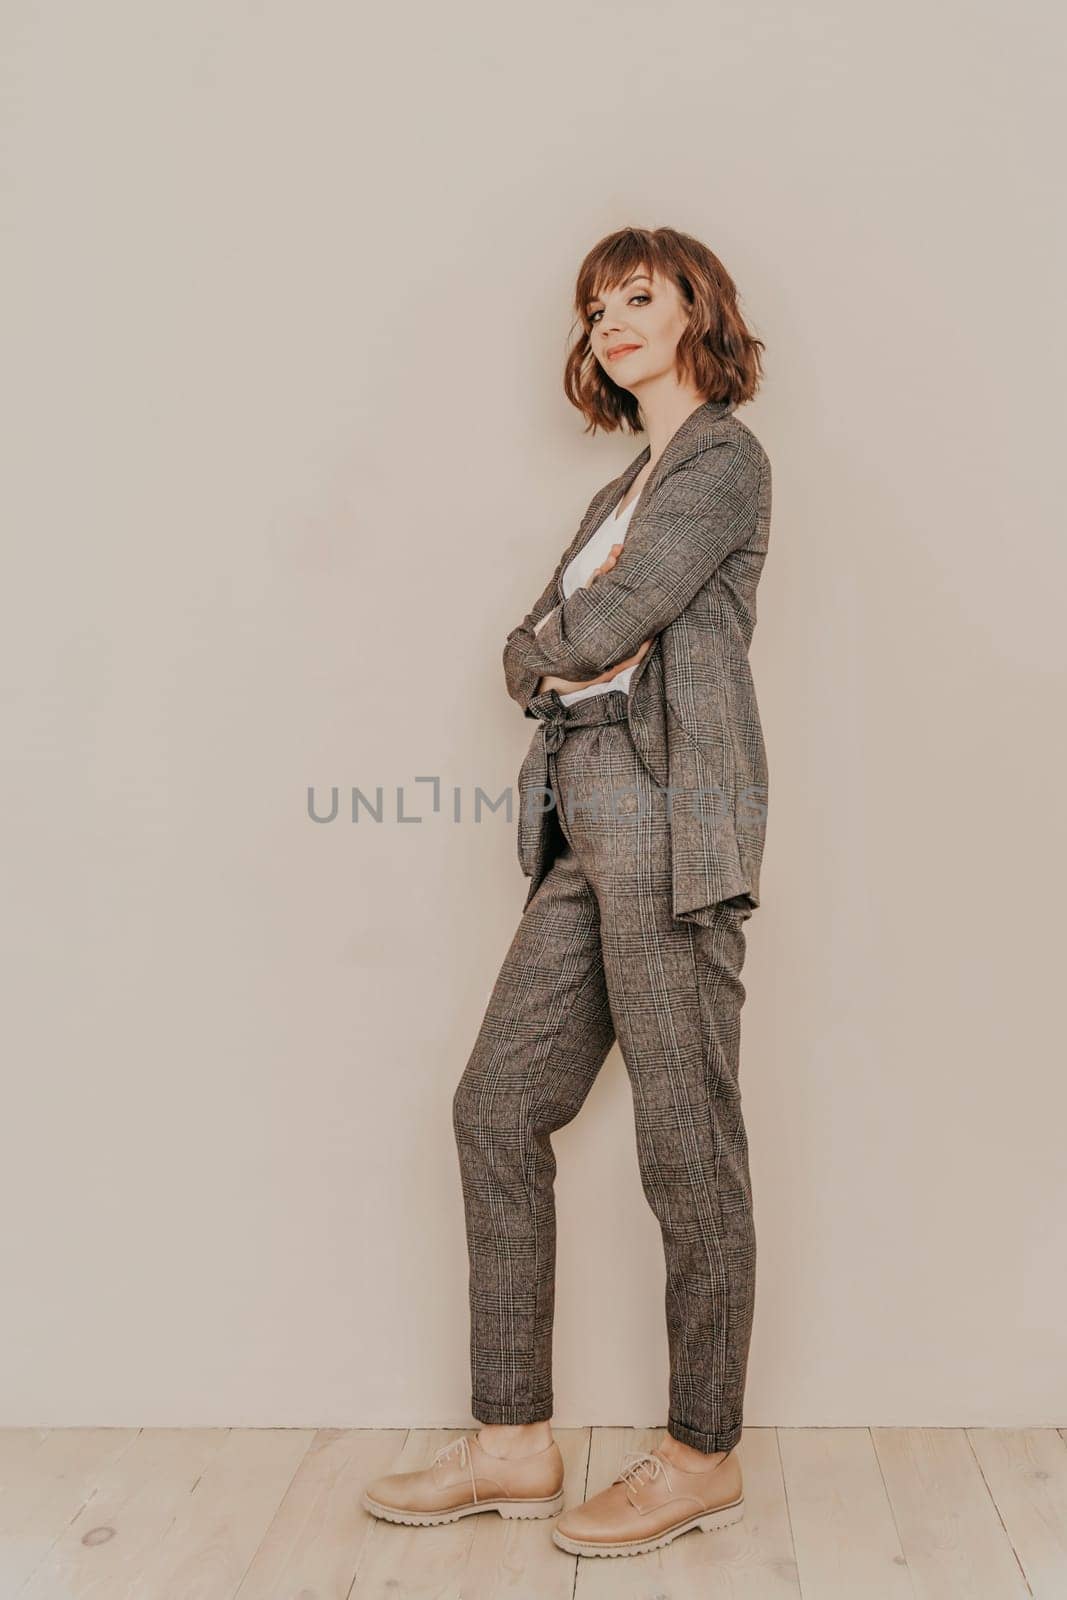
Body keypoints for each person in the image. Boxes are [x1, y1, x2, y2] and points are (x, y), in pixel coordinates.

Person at [362, 225, 772, 1559]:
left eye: (637, 298)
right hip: (579, 818)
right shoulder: (616, 493)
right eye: (595, 306)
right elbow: (528, 647)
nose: (609, 321)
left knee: (682, 1138)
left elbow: (597, 626)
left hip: (669, 807)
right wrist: (552, 651)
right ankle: (512, 1444)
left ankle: (700, 1451)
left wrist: (555, 650)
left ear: (697, 309)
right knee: (495, 1109)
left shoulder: (722, 459)